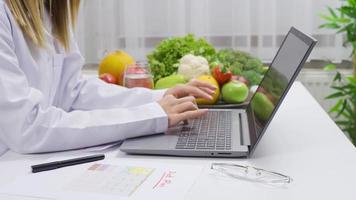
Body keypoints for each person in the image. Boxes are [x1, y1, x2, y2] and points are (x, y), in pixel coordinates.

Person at [0, 0, 215, 156]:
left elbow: (72, 92)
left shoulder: (49, 9)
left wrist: (158, 98)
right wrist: (152, 115)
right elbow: (28, 127)